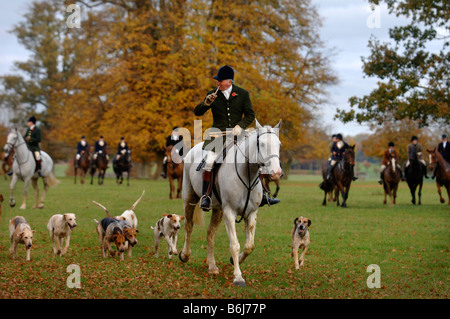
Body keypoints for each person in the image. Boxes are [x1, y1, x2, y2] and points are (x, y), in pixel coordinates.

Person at [194, 65, 276, 211]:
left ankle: (262, 194)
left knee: (257, 158)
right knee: (209, 162)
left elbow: (250, 115)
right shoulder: (212, 94)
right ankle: (206, 197)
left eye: (220, 81)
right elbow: (198, 112)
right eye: (217, 81)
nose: (218, 83)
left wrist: (240, 126)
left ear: (229, 82)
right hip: (218, 136)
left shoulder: (243, 94)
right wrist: (205, 104)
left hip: (239, 136)